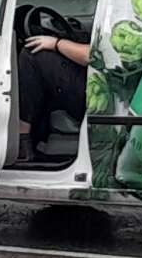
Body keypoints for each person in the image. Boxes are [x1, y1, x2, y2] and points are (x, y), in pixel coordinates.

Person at [16, 31, 91, 162]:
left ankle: (22, 139)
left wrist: (56, 43)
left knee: (32, 53)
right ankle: (40, 142)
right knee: (44, 81)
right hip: (99, 94)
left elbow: (90, 55)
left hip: (97, 99)